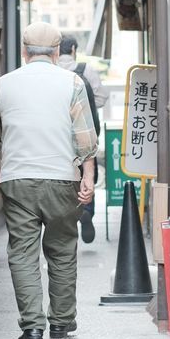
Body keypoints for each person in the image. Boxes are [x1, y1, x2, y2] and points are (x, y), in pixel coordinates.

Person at [0, 21, 98, 339]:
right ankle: (61, 323)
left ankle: (32, 328)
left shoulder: (4, 84)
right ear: (57, 51)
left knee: (22, 252)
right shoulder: (72, 82)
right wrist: (87, 177)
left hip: (18, 179)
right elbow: (85, 137)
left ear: (23, 51)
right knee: (62, 249)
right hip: (62, 178)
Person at [58, 34, 108, 243]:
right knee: (87, 170)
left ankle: (68, 214)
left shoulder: (51, 71)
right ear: (73, 50)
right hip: (85, 132)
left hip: (59, 135)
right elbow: (102, 97)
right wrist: (84, 109)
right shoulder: (85, 69)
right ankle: (87, 209)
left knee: (64, 173)